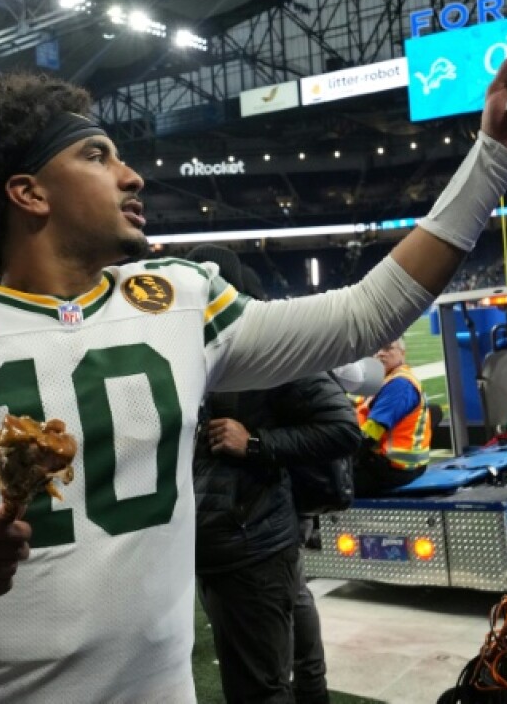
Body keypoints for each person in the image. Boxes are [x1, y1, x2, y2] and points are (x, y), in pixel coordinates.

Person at [0, 55, 507, 703]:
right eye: (97, 155)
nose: (132, 175)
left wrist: (495, 155)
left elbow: (362, 316)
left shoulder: (178, 297)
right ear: (29, 193)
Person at [187, 245, 361, 704]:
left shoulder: (261, 343)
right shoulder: (199, 346)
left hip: (254, 539)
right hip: (231, 540)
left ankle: (313, 691)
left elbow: (343, 428)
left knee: (260, 687)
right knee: (279, 640)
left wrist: (255, 443)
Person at [353, 338, 432, 497]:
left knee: (321, 483)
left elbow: (370, 434)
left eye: (388, 348)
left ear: (402, 353)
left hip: (392, 469)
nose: (380, 353)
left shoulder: (400, 385)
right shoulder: (384, 380)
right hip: (392, 465)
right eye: (377, 348)